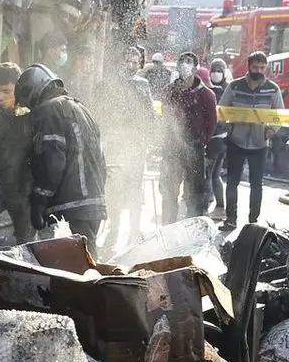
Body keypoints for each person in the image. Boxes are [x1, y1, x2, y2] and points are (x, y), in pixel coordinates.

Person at [14, 63, 108, 254]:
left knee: (67, 264)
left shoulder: (48, 111)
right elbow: (101, 161)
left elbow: (51, 163)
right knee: (87, 261)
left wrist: (39, 202)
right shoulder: (82, 108)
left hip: (69, 207)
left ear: (33, 92)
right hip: (93, 203)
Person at [95, 45, 154, 251]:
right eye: (127, 60)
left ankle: (134, 230)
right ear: (120, 62)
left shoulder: (143, 85)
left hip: (136, 144)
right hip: (115, 144)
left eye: (135, 61)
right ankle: (114, 230)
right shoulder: (109, 84)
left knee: (135, 189)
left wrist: (147, 136)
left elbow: (149, 113)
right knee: (114, 189)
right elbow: (101, 111)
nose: (131, 65)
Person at [220, 51, 284, 229]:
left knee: (256, 184)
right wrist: (230, 128)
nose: (259, 71)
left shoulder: (273, 89)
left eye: (263, 67)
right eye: (256, 67)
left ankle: (253, 223)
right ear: (249, 66)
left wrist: (271, 130)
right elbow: (222, 110)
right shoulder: (234, 86)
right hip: (236, 142)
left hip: (260, 143)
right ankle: (230, 219)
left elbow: (279, 114)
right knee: (232, 182)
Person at [159, 53, 216, 225]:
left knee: (194, 194)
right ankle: (168, 226)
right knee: (169, 192)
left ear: (195, 67)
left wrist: (202, 141)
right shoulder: (168, 91)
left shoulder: (206, 94)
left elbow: (211, 122)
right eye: (182, 61)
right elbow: (164, 116)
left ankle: (192, 227)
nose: (184, 65)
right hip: (172, 148)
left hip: (194, 148)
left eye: (189, 62)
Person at [0, 62, 31, 244]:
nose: (0, 97)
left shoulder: (31, 113)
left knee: (26, 240)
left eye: (6, 91)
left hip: (24, 188)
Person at [206, 58, 230, 218]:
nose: (216, 73)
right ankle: (220, 205)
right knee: (215, 175)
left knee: (208, 174)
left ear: (224, 72)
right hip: (217, 138)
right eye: (214, 70)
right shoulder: (211, 89)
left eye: (219, 70)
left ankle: (207, 204)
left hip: (217, 138)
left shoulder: (226, 90)